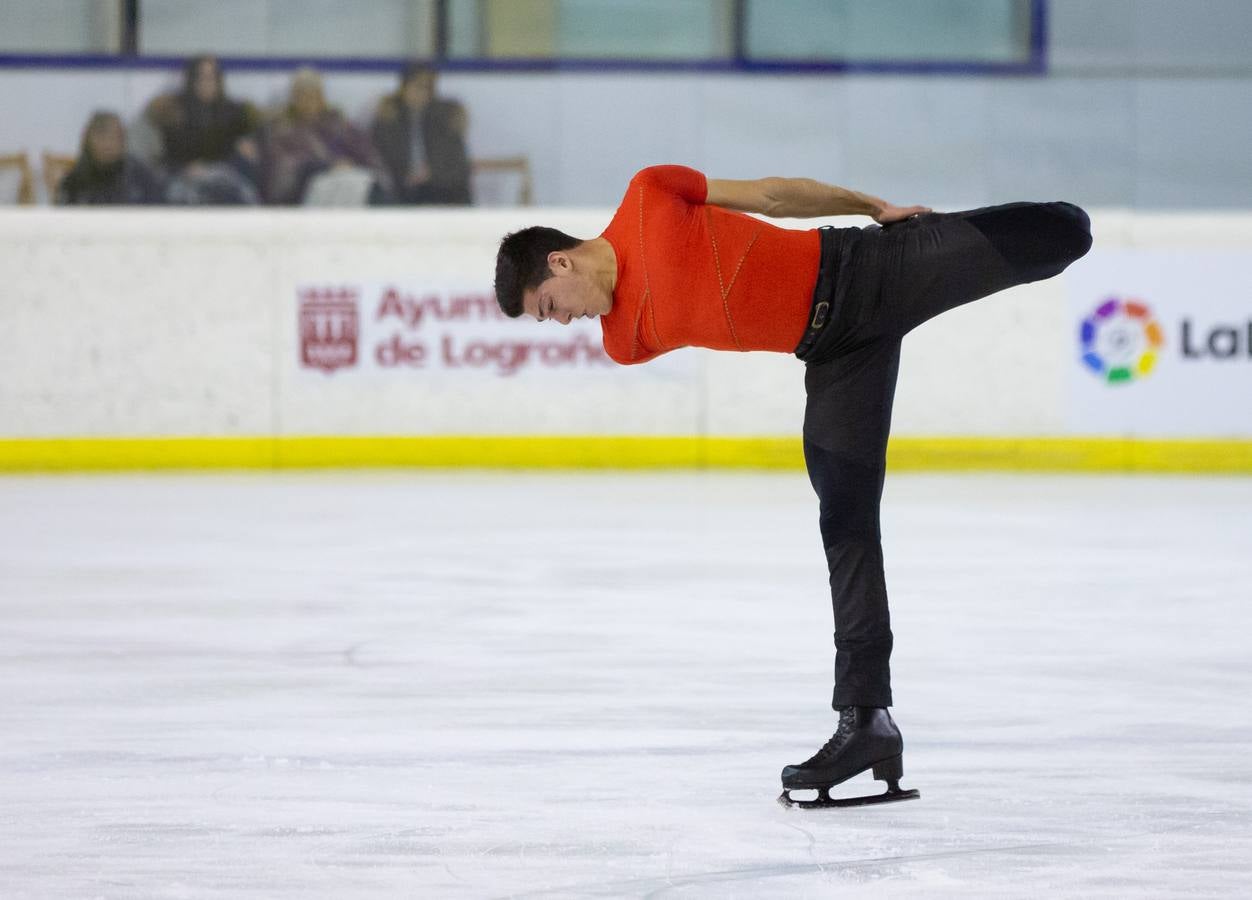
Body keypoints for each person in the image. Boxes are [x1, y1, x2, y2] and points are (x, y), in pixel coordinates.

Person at [492, 165, 1092, 809]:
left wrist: (871, 204)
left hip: (868, 267)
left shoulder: (648, 196)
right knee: (845, 521)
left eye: (550, 308)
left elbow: (773, 197)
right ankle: (867, 720)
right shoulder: (624, 340)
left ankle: (966, 239)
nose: (562, 323)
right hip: (835, 356)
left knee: (1063, 230)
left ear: (560, 262)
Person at [260, 67, 388, 206]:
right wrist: (329, 166)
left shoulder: (338, 124)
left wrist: (350, 166)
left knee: (367, 184)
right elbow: (286, 172)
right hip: (307, 192)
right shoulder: (284, 131)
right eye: (302, 95)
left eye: (314, 95)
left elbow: (366, 154)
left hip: (350, 182)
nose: (309, 101)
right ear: (294, 98)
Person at [148, 54, 260, 205]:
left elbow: (243, 149)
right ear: (191, 80)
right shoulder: (174, 110)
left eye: (212, 77)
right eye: (201, 77)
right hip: (183, 175)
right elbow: (165, 153)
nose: (207, 83)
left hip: (224, 174)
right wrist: (184, 167)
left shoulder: (234, 111)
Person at [370, 62, 471, 205]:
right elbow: (380, 159)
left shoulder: (444, 118)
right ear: (404, 88)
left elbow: (458, 164)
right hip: (402, 188)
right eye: (417, 86)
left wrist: (432, 173)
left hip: (440, 187)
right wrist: (406, 175)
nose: (421, 92)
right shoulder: (388, 118)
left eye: (427, 87)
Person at [56, 111, 164, 206]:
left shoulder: (141, 177)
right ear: (88, 139)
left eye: (116, 136)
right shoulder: (74, 182)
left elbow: (159, 213)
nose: (109, 143)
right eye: (102, 135)